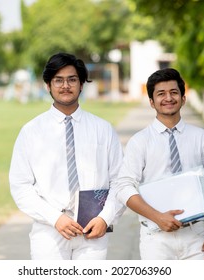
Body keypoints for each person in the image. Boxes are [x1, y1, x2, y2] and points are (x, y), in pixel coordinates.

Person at [9, 52, 125, 260]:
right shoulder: (31, 131)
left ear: (81, 85)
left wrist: (106, 218)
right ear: (48, 85)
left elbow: (120, 181)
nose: (65, 86)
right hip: (49, 231)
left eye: (72, 80)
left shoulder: (103, 129)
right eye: (58, 80)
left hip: (93, 230)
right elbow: (20, 186)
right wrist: (55, 218)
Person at [114, 68, 204, 260]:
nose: (168, 98)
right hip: (156, 239)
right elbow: (123, 187)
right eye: (161, 94)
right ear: (151, 101)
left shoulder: (200, 138)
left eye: (174, 92)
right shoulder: (140, 142)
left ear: (183, 98)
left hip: (196, 235)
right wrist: (158, 217)